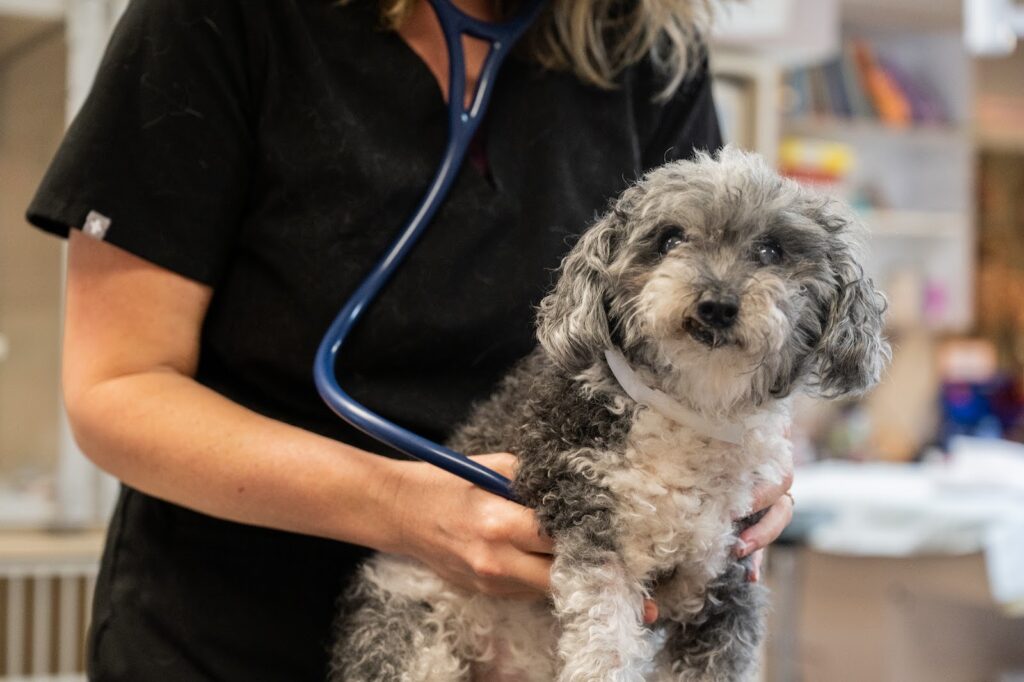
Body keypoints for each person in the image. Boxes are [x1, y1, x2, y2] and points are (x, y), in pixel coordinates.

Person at [27, 0, 794, 679]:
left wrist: (735, 477)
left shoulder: (646, 44)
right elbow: (117, 389)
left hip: (536, 636)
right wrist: (402, 508)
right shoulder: (220, 19)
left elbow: (690, 350)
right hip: (231, 626)